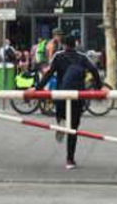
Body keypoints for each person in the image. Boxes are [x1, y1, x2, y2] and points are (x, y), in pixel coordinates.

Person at [37, 33, 101, 170]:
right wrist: (99, 88)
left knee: (60, 115)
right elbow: (94, 70)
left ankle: (60, 123)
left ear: (64, 45)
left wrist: (38, 88)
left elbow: (49, 73)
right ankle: (70, 159)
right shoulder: (82, 57)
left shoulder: (59, 56)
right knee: (73, 129)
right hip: (77, 96)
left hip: (62, 94)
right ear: (75, 44)